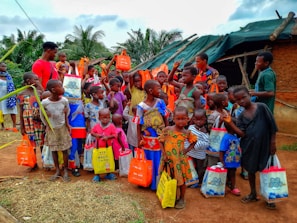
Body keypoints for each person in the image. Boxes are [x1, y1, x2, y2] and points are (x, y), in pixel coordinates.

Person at [222, 85, 277, 210]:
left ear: (250, 95)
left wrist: (273, 142)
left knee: (266, 172)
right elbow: (242, 134)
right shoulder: (242, 116)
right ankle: (253, 193)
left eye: (244, 97)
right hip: (249, 146)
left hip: (265, 145)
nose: (241, 101)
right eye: (238, 99)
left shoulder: (262, 108)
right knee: (251, 170)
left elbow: (272, 125)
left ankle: (270, 197)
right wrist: (230, 122)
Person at [159, 106, 197, 209]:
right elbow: (161, 141)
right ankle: (171, 196)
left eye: (183, 118)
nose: (180, 121)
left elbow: (194, 141)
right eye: (178, 118)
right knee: (170, 178)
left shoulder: (186, 133)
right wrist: (164, 154)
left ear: (187, 119)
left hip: (180, 161)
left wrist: (186, 150)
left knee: (181, 180)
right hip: (168, 160)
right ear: (173, 119)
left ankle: (182, 198)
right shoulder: (167, 130)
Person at [137, 80, 168, 190]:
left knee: (159, 157)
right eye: (158, 88)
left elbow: (165, 117)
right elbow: (138, 123)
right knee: (148, 158)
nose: (160, 91)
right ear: (150, 91)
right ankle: (148, 181)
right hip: (148, 136)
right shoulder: (141, 106)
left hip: (159, 134)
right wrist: (138, 138)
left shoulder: (160, 102)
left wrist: (166, 132)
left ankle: (158, 182)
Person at [40, 80, 72, 182]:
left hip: (62, 128)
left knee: (64, 149)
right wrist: (47, 125)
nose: (63, 88)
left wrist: (67, 124)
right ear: (53, 90)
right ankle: (57, 170)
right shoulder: (45, 103)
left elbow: (67, 113)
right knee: (54, 150)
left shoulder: (64, 101)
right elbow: (42, 116)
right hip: (52, 129)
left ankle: (65, 170)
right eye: (61, 86)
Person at [18, 72, 45, 170]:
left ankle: (45, 162)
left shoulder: (39, 92)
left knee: (42, 142)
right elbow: (21, 110)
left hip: (39, 120)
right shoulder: (21, 93)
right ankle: (33, 164)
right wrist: (21, 126)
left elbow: (45, 96)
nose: (38, 81)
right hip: (28, 121)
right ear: (29, 81)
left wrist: (39, 86)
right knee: (31, 143)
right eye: (36, 79)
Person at [185, 109, 210, 187]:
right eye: (196, 119)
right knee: (191, 167)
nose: (198, 122)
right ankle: (192, 180)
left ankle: (199, 181)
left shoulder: (205, 132)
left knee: (200, 168)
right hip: (191, 152)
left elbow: (207, 143)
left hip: (200, 154)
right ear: (193, 119)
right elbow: (187, 138)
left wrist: (196, 144)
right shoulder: (191, 127)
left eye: (201, 120)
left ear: (205, 120)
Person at [91, 108, 117, 182]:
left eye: (107, 117)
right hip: (98, 148)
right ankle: (97, 175)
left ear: (110, 117)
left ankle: (108, 173)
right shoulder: (97, 126)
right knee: (97, 161)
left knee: (108, 160)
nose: (105, 119)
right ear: (99, 118)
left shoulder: (111, 126)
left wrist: (108, 137)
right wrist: (96, 135)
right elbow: (92, 132)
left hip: (108, 148)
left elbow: (115, 135)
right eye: (103, 117)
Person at [206, 93, 229, 167]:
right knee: (213, 162)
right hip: (215, 141)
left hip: (223, 140)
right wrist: (220, 122)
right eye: (227, 100)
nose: (228, 102)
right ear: (223, 103)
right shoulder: (213, 115)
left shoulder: (225, 112)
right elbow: (210, 130)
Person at [219, 129, 241, 196]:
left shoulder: (236, 136)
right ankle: (223, 188)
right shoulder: (226, 137)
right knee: (226, 174)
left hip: (234, 161)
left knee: (232, 173)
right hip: (227, 161)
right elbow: (222, 150)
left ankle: (233, 187)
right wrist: (222, 160)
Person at [0, 62, 18, 132]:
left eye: (5, 66)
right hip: (1, 96)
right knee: (1, 111)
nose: (5, 68)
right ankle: (2, 126)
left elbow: (12, 85)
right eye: (2, 66)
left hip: (10, 96)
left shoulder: (8, 76)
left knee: (12, 110)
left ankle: (14, 126)